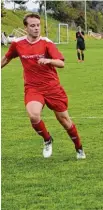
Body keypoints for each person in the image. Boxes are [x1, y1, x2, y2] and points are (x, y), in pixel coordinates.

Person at [1, 13, 86, 160]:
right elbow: (7, 57)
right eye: (32, 26)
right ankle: (47, 139)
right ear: (26, 27)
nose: (36, 28)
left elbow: (61, 63)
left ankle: (79, 148)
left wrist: (48, 60)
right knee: (34, 115)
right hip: (33, 88)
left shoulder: (47, 43)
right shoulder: (18, 44)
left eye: (38, 25)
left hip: (52, 88)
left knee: (65, 121)